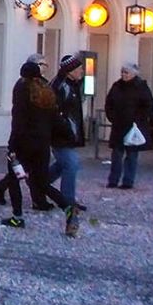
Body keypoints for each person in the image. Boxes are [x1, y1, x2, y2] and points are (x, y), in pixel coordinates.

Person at [0, 60, 79, 235]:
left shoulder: (22, 90)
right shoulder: (46, 90)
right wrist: (68, 134)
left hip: (23, 143)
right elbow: (55, 118)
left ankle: (17, 216)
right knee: (41, 183)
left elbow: (19, 121)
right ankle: (68, 207)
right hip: (42, 144)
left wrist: (12, 145)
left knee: (15, 179)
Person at [105, 62, 153, 190]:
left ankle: (128, 181)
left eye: (126, 72)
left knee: (131, 155)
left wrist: (139, 119)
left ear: (133, 74)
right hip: (119, 125)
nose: (124, 75)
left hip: (134, 127)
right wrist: (112, 116)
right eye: (122, 72)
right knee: (116, 155)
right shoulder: (117, 86)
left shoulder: (141, 87)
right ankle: (113, 180)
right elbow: (109, 102)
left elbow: (149, 106)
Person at [48, 54, 86, 206]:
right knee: (71, 163)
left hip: (68, 132)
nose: (82, 71)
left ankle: (39, 182)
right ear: (71, 70)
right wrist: (65, 128)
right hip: (61, 133)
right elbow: (56, 112)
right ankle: (67, 200)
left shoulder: (72, 85)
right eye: (79, 68)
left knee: (64, 163)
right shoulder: (61, 86)